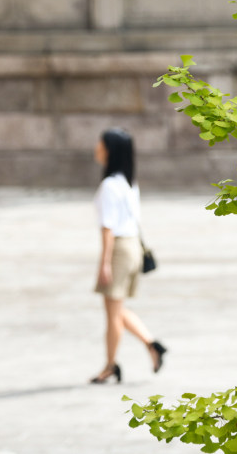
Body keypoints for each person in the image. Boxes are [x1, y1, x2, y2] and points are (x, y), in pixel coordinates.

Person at [90, 128, 166, 384]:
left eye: (100, 145)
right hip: (133, 246)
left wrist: (104, 263)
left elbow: (108, 229)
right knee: (117, 308)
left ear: (110, 151)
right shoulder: (129, 184)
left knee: (112, 313)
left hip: (120, 250)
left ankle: (110, 365)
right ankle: (151, 343)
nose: (96, 148)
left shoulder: (110, 186)